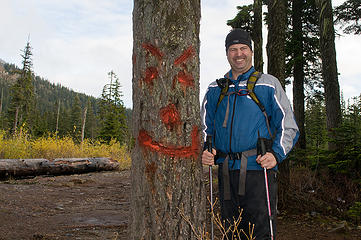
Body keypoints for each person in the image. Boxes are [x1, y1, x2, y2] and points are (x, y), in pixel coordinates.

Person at [201, 29, 299, 239]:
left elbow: (288, 125)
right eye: (233, 49)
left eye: (243, 48)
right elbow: (205, 127)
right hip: (226, 171)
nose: (239, 54)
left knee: (261, 232)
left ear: (251, 52)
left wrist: (276, 154)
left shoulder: (268, 84)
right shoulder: (215, 89)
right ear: (227, 53)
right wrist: (207, 150)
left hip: (258, 170)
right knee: (230, 230)